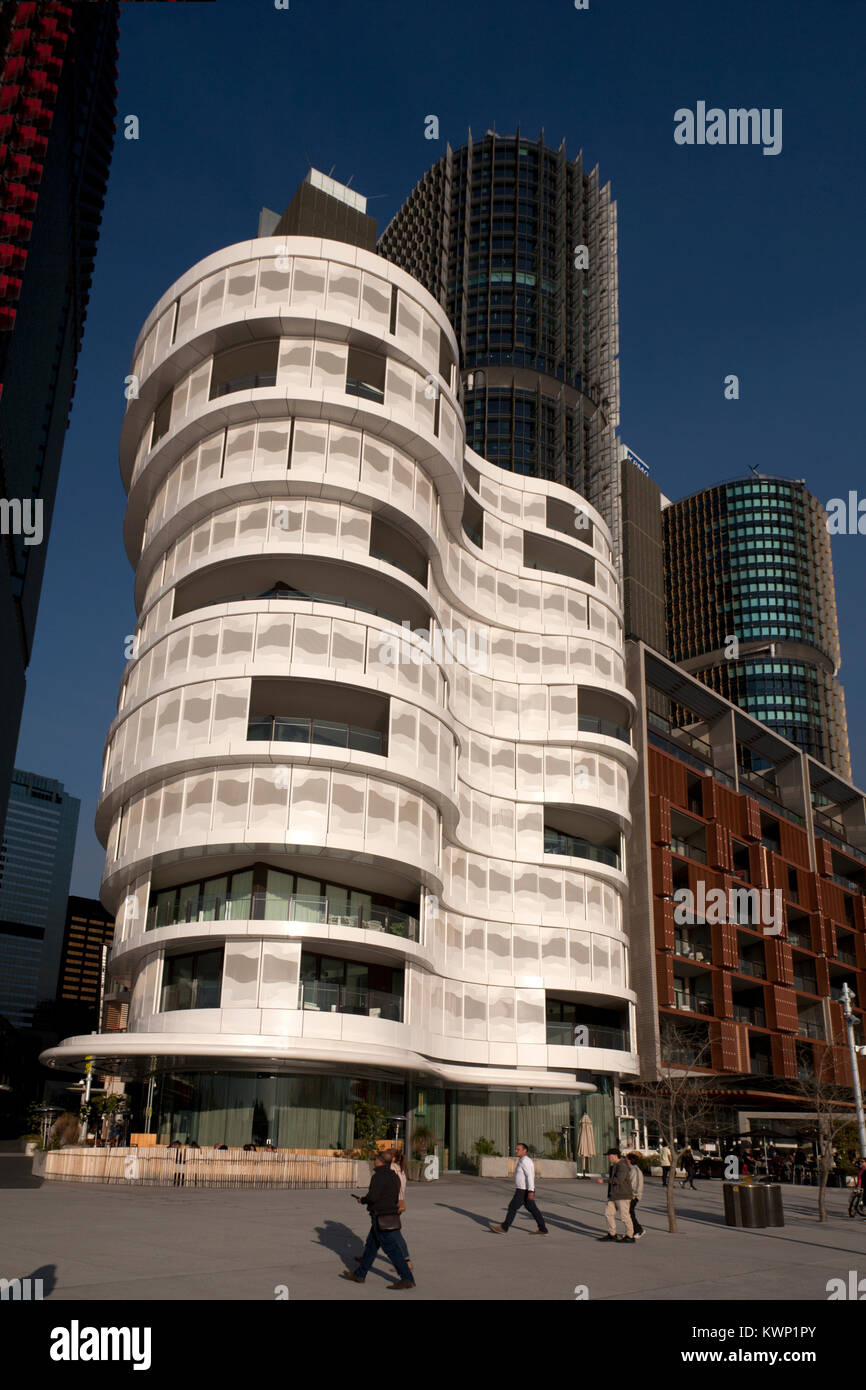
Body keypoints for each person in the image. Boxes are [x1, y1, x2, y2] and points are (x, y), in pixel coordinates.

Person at [342, 1153, 415, 1290]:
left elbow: (373, 1197)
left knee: (391, 1249)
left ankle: (406, 1278)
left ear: (380, 1161)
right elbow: (395, 1195)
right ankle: (360, 1274)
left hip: (381, 1217)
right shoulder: (394, 1176)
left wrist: (363, 1200)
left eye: (376, 1158)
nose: (374, 1160)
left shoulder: (378, 1176)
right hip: (389, 1214)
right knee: (371, 1246)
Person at [489, 1143, 548, 1235]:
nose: (516, 1151)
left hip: (523, 1190)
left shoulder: (525, 1161)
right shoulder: (522, 1160)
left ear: (525, 1151)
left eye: (518, 1149)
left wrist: (531, 1191)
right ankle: (543, 1229)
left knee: (512, 1207)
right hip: (524, 1189)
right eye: (516, 1149)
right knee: (533, 1209)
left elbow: (530, 1176)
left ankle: (504, 1228)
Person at [597, 1147, 635, 1242]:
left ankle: (630, 1236)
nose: (608, 1158)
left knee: (624, 1216)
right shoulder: (615, 1165)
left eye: (609, 1156)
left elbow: (619, 1180)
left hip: (622, 1195)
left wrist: (605, 1180)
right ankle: (612, 1234)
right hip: (613, 1195)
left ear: (614, 1156)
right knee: (608, 1214)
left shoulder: (622, 1166)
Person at [626, 1152, 645, 1239]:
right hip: (632, 1195)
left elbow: (635, 1184)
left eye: (626, 1159)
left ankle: (638, 1229)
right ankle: (633, 1230)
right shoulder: (632, 1169)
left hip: (634, 1195)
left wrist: (634, 1195)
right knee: (629, 1213)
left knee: (629, 1213)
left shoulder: (634, 1170)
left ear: (629, 1160)